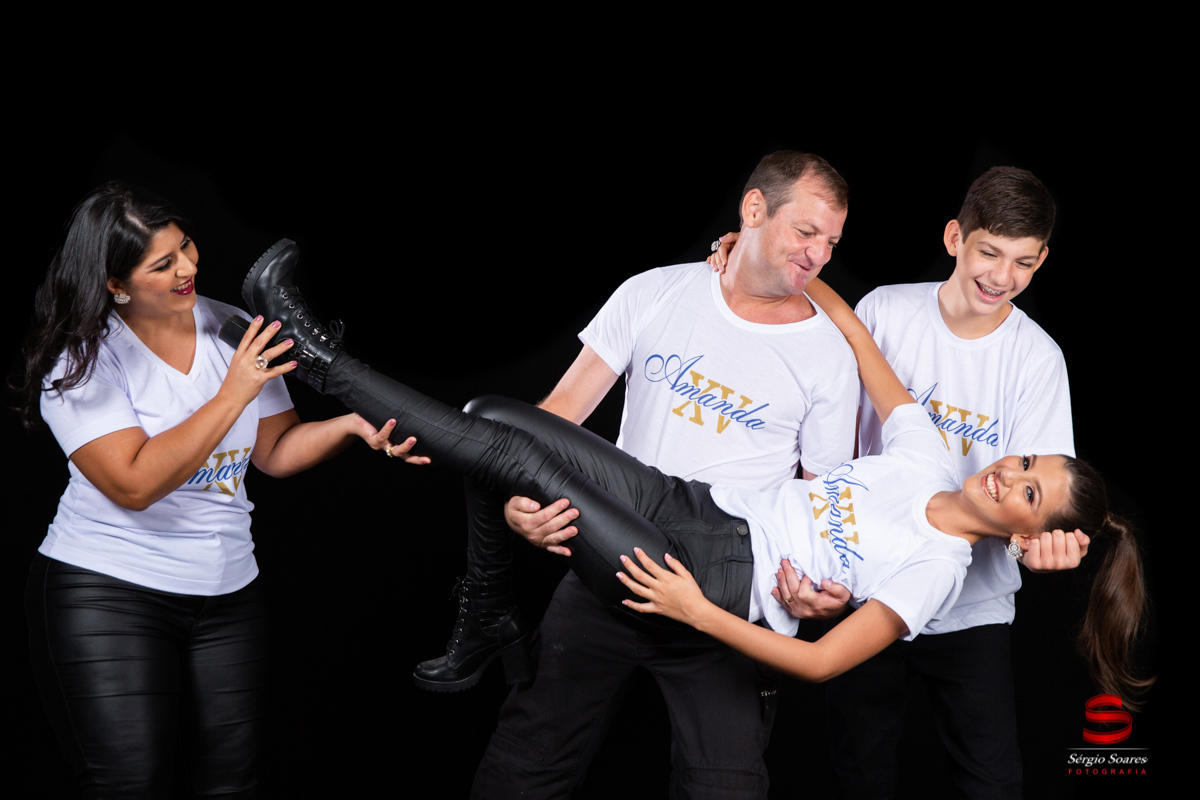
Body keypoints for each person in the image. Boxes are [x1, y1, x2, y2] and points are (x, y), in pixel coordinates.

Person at [222, 239, 1149, 764]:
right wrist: (790, 266)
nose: (1009, 473)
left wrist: (700, 610)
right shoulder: (929, 457)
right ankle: (491, 606)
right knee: (495, 417)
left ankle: (319, 360)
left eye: (1029, 490)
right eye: (1027, 460)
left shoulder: (939, 569)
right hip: (696, 503)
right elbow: (867, 348)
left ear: (1028, 529)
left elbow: (823, 663)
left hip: (708, 573)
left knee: (503, 452)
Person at [455, 151, 862, 797]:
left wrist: (822, 586)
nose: (818, 254)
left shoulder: (830, 357)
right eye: (806, 232)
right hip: (605, 564)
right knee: (523, 766)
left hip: (725, 598)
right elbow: (556, 418)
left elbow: (823, 502)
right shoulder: (654, 292)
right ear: (754, 209)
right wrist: (518, 502)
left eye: (832, 242)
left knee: (724, 787)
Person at [707, 166, 1098, 798]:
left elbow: (1045, 501)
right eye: (989, 253)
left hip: (971, 610)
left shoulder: (1038, 361)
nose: (1002, 277)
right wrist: (752, 252)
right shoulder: (887, 310)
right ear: (955, 238)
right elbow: (832, 425)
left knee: (992, 779)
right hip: (863, 584)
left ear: (1043, 260)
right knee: (859, 771)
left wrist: (1041, 549)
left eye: (1024, 263)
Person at [14, 184, 412, 798]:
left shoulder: (231, 327)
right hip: (109, 590)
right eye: (162, 264)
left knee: (230, 786)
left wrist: (353, 427)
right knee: (130, 785)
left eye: (186, 246)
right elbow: (134, 484)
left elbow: (274, 451)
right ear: (116, 284)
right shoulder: (83, 357)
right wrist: (233, 391)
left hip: (227, 594)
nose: (187, 268)